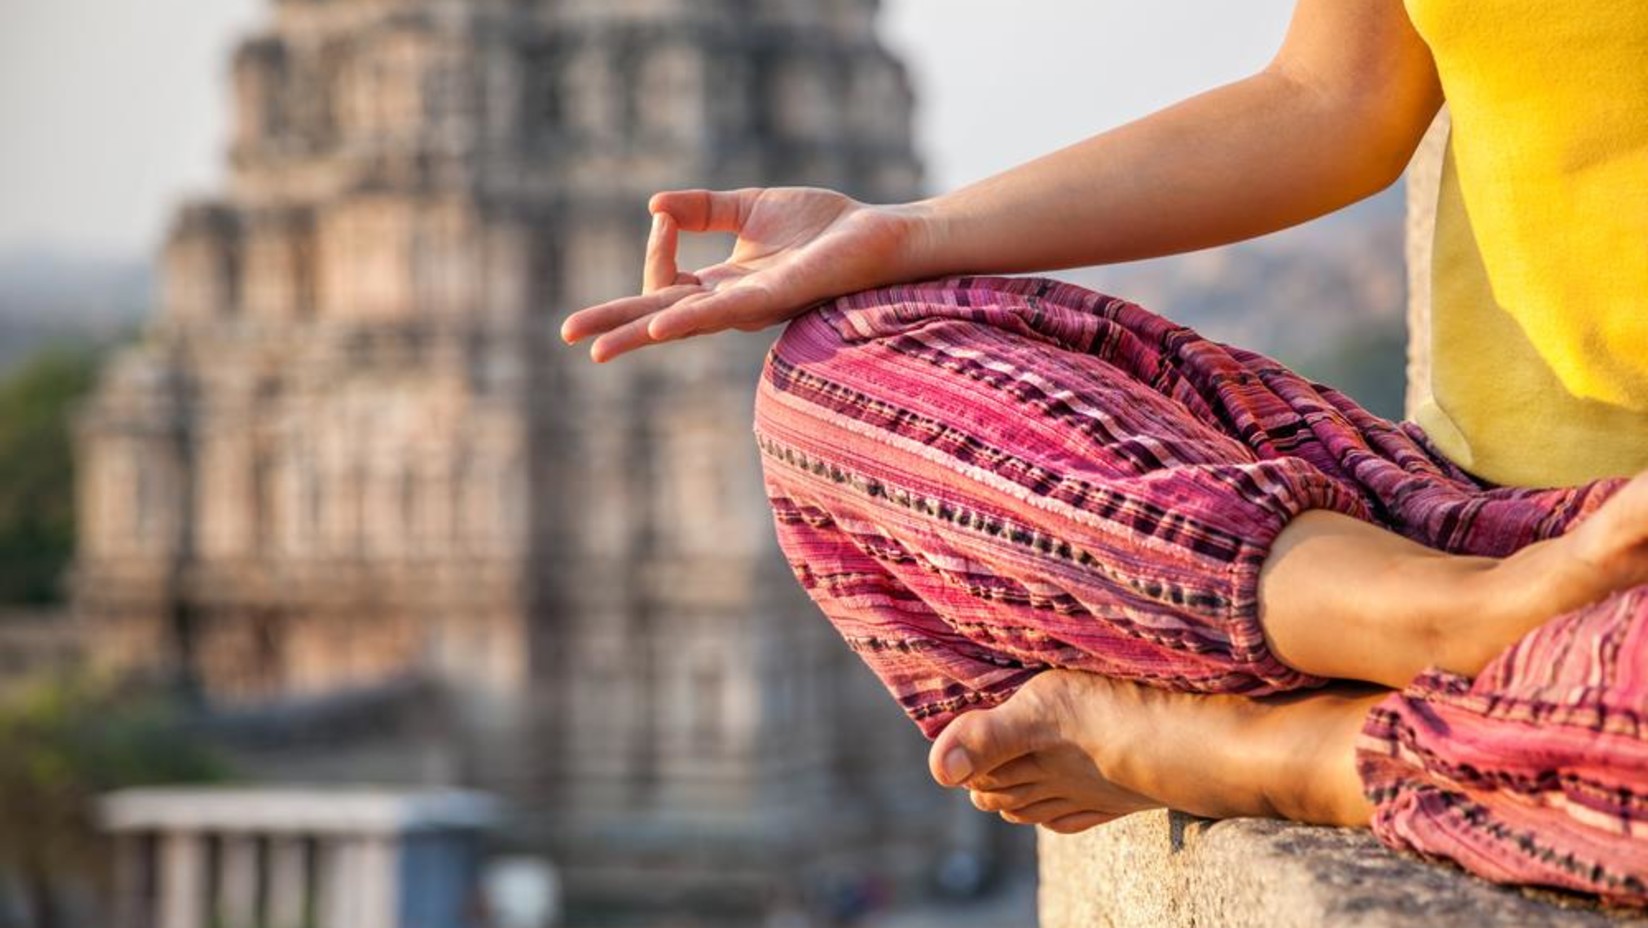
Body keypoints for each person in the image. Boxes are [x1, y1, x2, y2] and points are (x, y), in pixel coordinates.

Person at [561, 0, 1648, 904]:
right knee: (840, 362)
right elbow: (1330, 97)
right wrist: (904, 236)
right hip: (1473, 515)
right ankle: (1458, 619)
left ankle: (1277, 754)